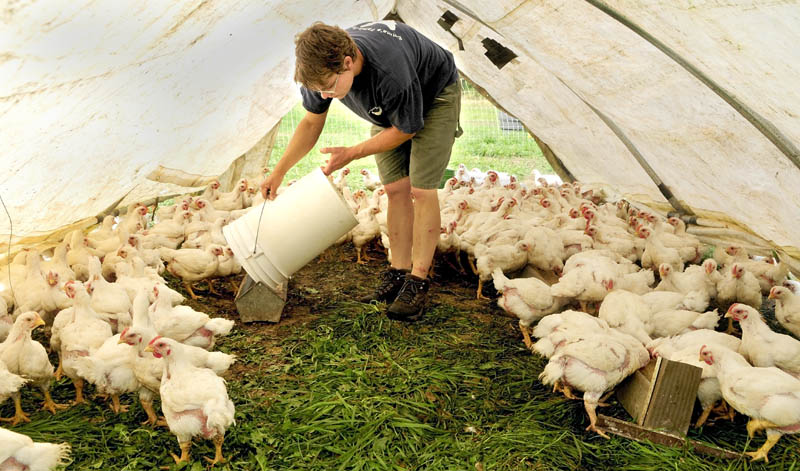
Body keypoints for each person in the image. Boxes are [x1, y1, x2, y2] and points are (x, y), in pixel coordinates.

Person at [261, 20, 461, 322]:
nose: (325, 95)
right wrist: (278, 172)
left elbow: (406, 129)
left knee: (421, 188)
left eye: (329, 87)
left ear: (348, 62)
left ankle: (418, 281)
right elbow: (312, 122)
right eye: (318, 90)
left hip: (435, 95)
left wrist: (353, 153)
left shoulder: (390, 70)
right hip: (391, 108)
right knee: (394, 188)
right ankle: (398, 272)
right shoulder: (320, 71)